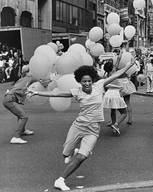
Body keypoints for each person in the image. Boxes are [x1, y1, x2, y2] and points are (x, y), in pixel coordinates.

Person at [27, 59, 135, 191]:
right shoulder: (76, 91)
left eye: (89, 80)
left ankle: (60, 180)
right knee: (65, 155)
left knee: (82, 157)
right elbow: (58, 94)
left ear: (92, 80)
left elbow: (116, 74)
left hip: (93, 129)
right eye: (84, 81)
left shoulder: (99, 85)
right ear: (80, 81)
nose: (87, 83)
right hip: (78, 126)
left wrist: (129, 65)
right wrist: (38, 92)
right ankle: (69, 153)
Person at [2, 65, 43, 144]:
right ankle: (16, 137)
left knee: (20, 115)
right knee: (24, 116)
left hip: (8, 98)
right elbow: (41, 80)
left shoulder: (21, 79)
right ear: (28, 72)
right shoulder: (29, 77)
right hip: (10, 99)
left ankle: (22, 130)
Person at [103, 61, 127, 135]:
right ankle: (116, 124)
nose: (115, 67)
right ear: (112, 68)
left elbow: (104, 86)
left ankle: (114, 129)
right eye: (113, 66)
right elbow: (118, 66)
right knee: (124, 113)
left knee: (113, 111)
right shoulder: (115, 74)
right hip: (116, 93)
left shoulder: (105, 76)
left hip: (108, 94)